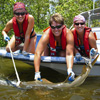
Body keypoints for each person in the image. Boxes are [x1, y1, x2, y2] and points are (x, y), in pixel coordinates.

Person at [34, 13, 75, 82]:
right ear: (50, 26)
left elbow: (69, 54)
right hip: (50, 49)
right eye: (53, 27)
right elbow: (37, 53)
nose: (56, 29)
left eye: (58, 27)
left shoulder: (68, 34)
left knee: (62, 55)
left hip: (63, 50)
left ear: (63, 26)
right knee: (44, 56)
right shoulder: (46, 34)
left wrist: (70, 70)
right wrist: (37, 72)